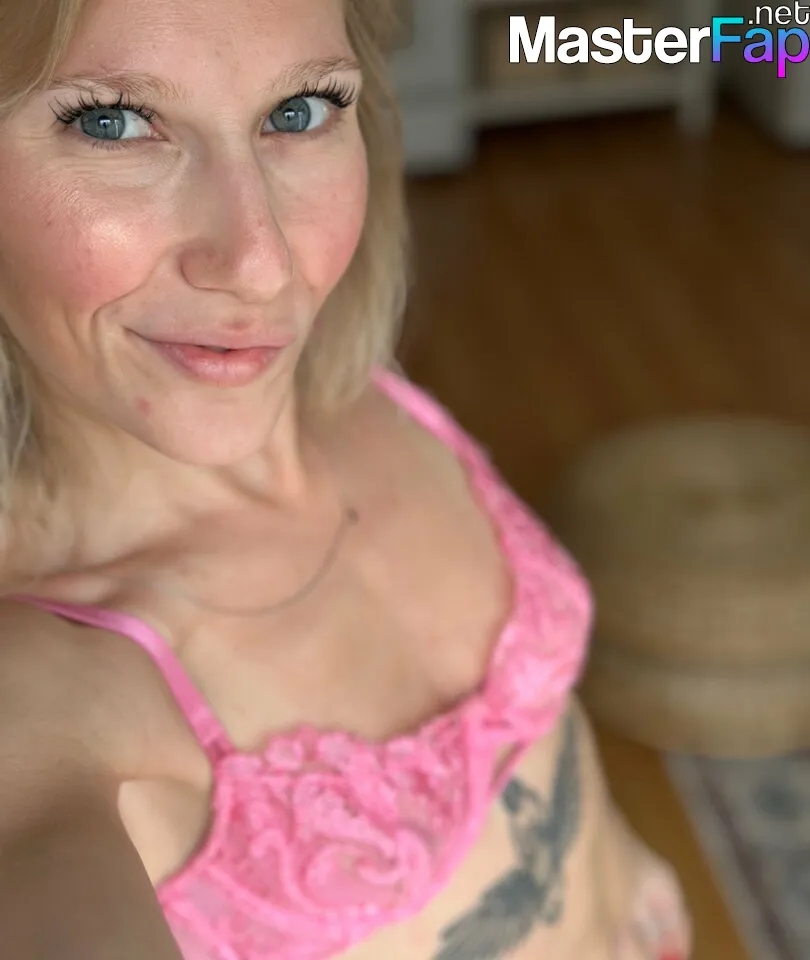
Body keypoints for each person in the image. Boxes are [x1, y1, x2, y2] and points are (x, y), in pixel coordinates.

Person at [0, 0, 692, 957]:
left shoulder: (362, 396)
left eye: (299, 111)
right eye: (112, 123)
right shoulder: (41, 688)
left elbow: (535, 726)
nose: (262, 265)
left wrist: (612, 853)